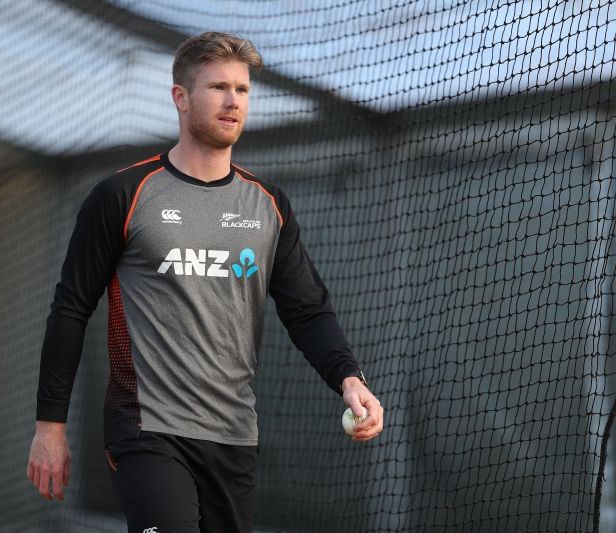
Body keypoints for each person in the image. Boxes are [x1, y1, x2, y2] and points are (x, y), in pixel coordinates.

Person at [27, 32, 384, 532]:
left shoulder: (268, 205)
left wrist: (349, 379)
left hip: (233, 435)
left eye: (242, 89)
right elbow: (69, 309)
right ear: (180, 97)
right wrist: (50, 426)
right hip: (147, 429)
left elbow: (307, 310)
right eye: (218, 87)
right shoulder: (123, 194)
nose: (233, 101)